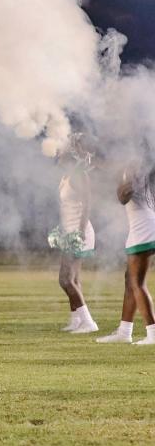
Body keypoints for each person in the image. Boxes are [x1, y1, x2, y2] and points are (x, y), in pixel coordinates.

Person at [97, 165, 155, 345]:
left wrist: (117, 179)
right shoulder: (144, 166)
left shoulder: (133, 168)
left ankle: (153, 333)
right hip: (143, 224)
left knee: (137, 282)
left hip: (142, 228)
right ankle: (124, 331)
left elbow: (123, 197)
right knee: (130, 280)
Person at [55, 141, 98, 333]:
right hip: (69, 230)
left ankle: (88, 322)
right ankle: (76, 320)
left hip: (79, 232)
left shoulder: (80, 175)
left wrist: (79, 230)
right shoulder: (66, 176)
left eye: (60, 151)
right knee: (74, 279)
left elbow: (88, 204)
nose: (56, 153)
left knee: (65, 279)